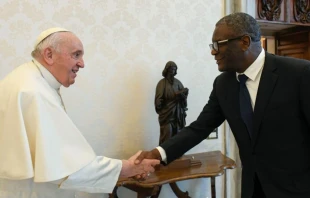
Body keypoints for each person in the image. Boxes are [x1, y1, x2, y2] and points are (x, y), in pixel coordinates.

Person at [135, 12, 310, 198]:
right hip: (252, 188)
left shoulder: (299, 74)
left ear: (244, 42)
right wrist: (158, 153)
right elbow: (199, 128)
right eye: (213, 46)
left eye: (218, 44)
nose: (213, 51)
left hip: (298, 189)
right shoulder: (223, 84)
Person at [0, 28, 159, 197]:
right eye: (76, 55)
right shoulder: (35, 92)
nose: (82, 63)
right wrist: (127, 168)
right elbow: (65, 168)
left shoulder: (25, 79)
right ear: (49, 55)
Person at [155, 61, 188, 144]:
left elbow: (184, 99)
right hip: (167, 114)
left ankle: (177, 154)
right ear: (167, 70)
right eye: (171, 69)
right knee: (167, 134)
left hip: (178, 114)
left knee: (178, 135)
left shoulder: (178, 83)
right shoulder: (161, 83)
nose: (172, 71)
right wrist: (160, 104)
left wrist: (183, 95)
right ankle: (165, 154)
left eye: (174, 70)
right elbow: (158, 100)